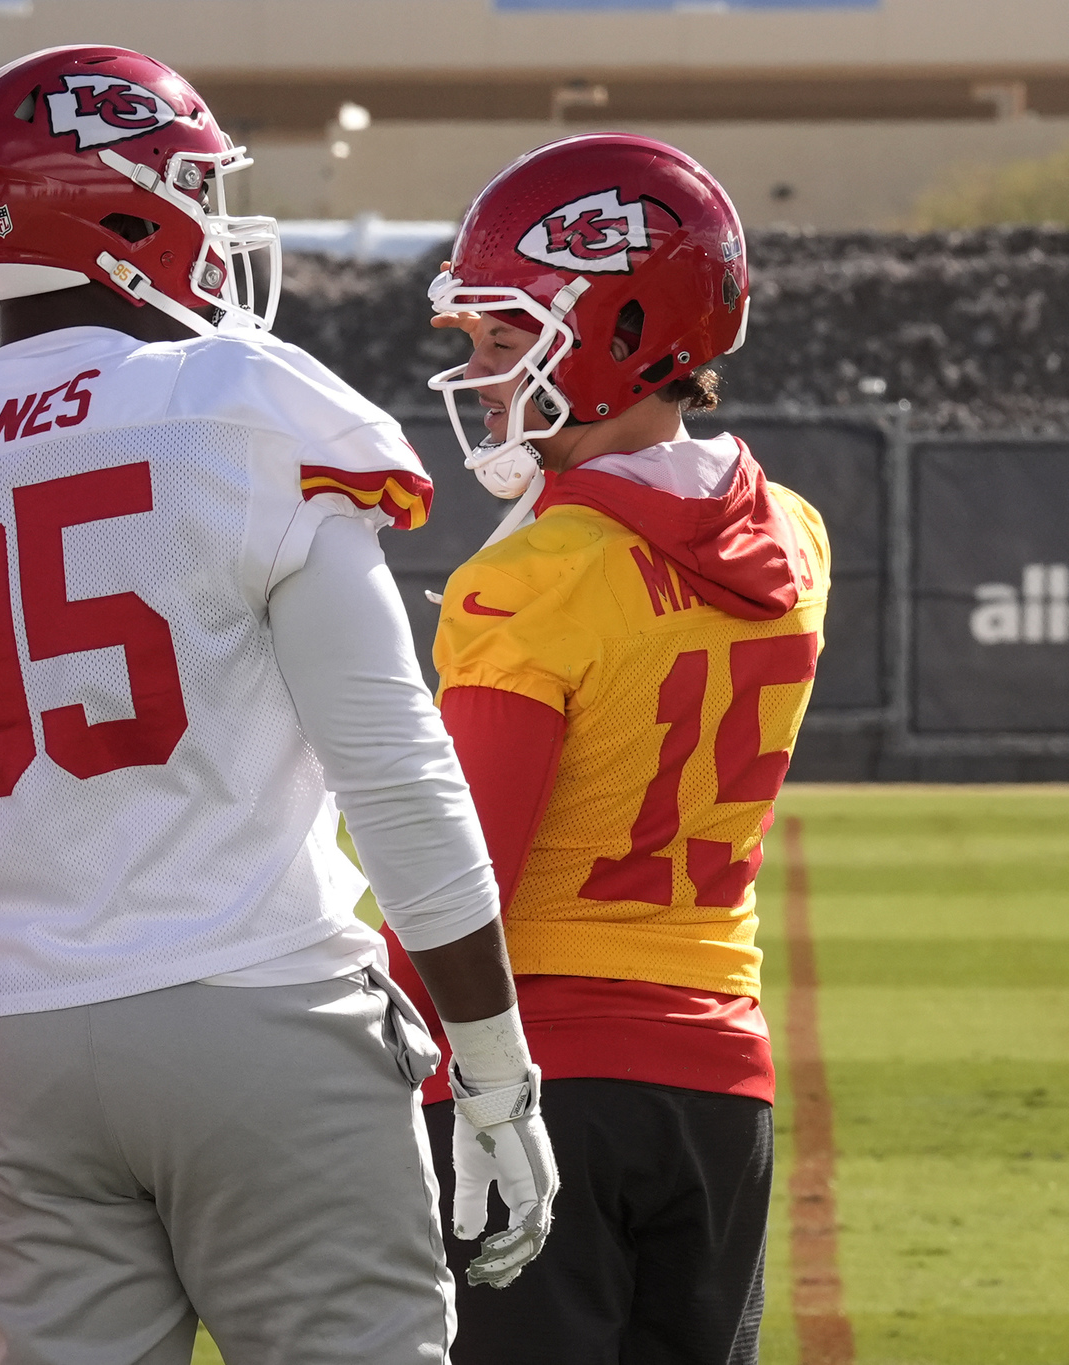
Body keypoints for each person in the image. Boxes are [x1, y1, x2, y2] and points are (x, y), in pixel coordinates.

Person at [0, 45, 557, 1365]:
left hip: (18, 1064)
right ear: (124, 211)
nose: (216, 224)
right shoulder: (246, 403)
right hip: (266, 1017)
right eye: (191, 188)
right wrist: (497, 1068)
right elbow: (398, 777)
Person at [397, 132, 832, 1365]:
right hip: (717, 1079)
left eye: (501, 338)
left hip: (531, 1077)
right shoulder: (794, 538)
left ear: (612, 333)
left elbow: (461, 870)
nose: (481, 376)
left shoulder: (532, 579)